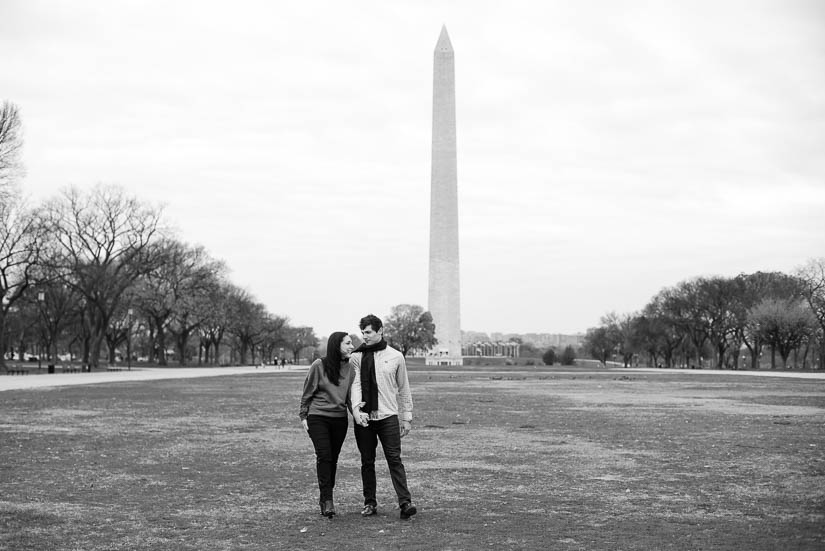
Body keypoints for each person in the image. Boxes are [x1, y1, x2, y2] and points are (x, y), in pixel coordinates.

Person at [350, 314, 417, 519]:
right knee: (367, 461)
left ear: (380, 331)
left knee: (394, 459)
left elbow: (403, 387)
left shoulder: (396, 356)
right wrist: (356, 410)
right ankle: (370, 503)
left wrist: (407, 416)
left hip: (388, 416)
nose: (364, 336)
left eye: (368, 332)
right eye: (362, 332)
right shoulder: (356, 357)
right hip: (364, 418)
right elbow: (355, 386)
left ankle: (405, 502)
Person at [299, 331, 356, 518]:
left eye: (352, 343)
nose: (351, 346)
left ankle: (325, 497)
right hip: (318, 417)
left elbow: (348, 397)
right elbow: (307, 392)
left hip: (339, 419)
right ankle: (328, 500)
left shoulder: (351, 368)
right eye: (347, 343)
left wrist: (357, 415)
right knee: (324, 455)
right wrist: (303, 416)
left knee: (332, 459)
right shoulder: (318, 365)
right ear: (336, 345)